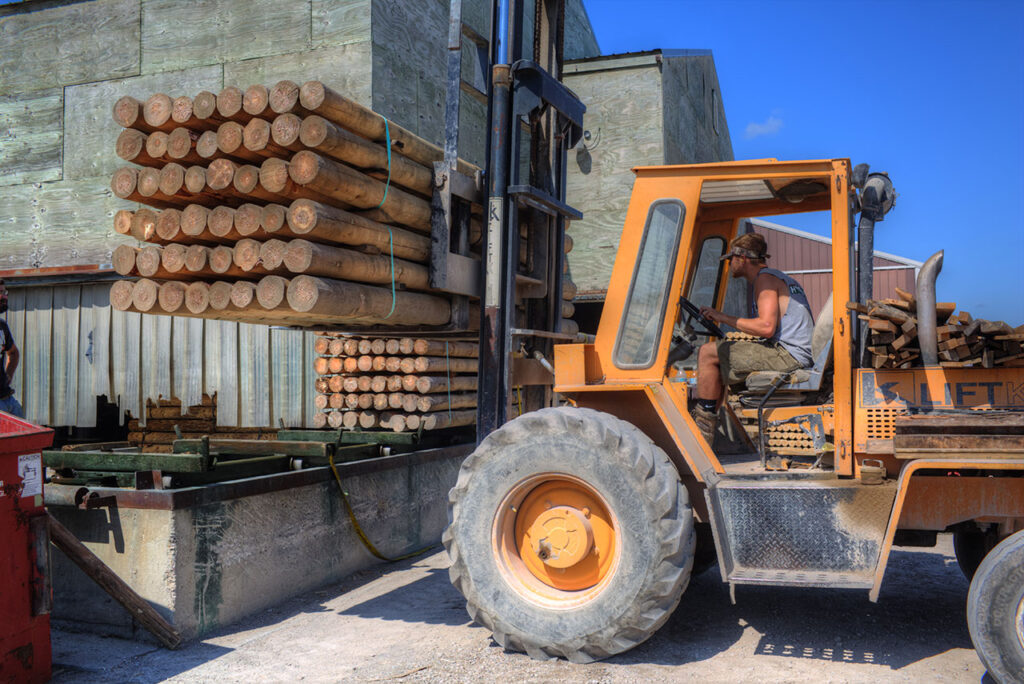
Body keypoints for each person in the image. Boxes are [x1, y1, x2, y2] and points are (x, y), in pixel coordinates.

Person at [691, 233, 813, 446]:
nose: (729, 265)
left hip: (788, 354)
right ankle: (715, 426)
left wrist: (722, 316)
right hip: (792, 351)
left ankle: (702, 432)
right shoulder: (778, 277)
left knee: (708, 353)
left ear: (742, 258)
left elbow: (766, 327)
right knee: (722, 354)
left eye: (731, 259)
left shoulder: (764, 280)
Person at [0, 280, 23, 417]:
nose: (4, 296)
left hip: (8, 402)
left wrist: (8, 376)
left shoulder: (2, 326)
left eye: (5, 292)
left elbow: (13, 353)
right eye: (0, 292)